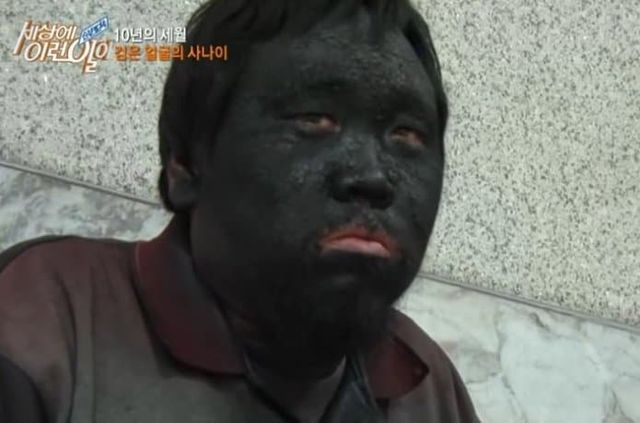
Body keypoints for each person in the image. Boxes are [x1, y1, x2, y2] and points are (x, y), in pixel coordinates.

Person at [0, 0, 480, 422]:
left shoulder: (426, 387)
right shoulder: (47, 319)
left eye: (405, 134)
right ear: (185, 164)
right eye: (314, 120)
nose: (372, 176)